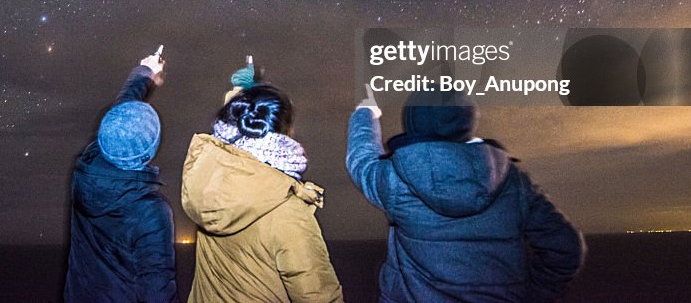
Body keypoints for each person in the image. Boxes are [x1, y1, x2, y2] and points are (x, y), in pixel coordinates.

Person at [347, 88, 584, 302]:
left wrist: (365, 113)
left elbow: (362, 161)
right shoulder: (513, 181)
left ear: (413, 122)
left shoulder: (397, 178)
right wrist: (533, 295)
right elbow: (567, 248)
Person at [181, 68, 344, 303]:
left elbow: (232, 129)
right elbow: (318, 297)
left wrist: (244, 91)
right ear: (285, 133)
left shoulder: (208, 178)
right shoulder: (286, 213)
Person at [64, 50, 177, 303]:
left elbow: (119, 112)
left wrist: (145, 72)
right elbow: (158, 291)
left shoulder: (86, 166)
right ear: (150, 150)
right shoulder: (151, 212)